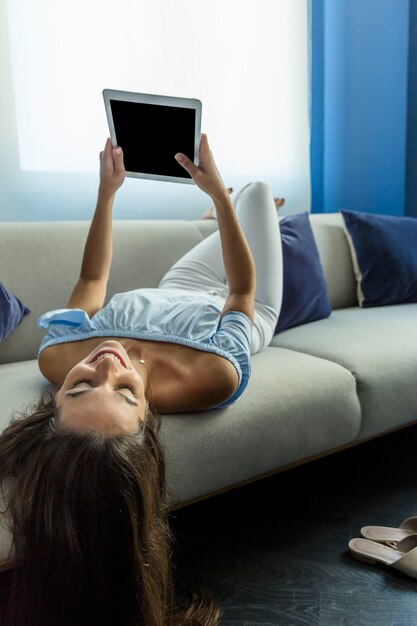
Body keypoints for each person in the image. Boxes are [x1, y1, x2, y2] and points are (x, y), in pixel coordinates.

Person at [0, 135, 283, 625]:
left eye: (82, 385)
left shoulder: (57, 356)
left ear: (57, 394)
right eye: (126, 393)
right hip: (236, 312)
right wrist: (217, 193)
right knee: (255, 194)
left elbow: (92, 282)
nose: (108, 364)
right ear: (148, 415)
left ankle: (223, 224)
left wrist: (107, 191)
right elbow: (241, 290)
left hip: (179, 287)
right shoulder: (210, 376)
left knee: (248, 208)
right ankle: (232, 216)